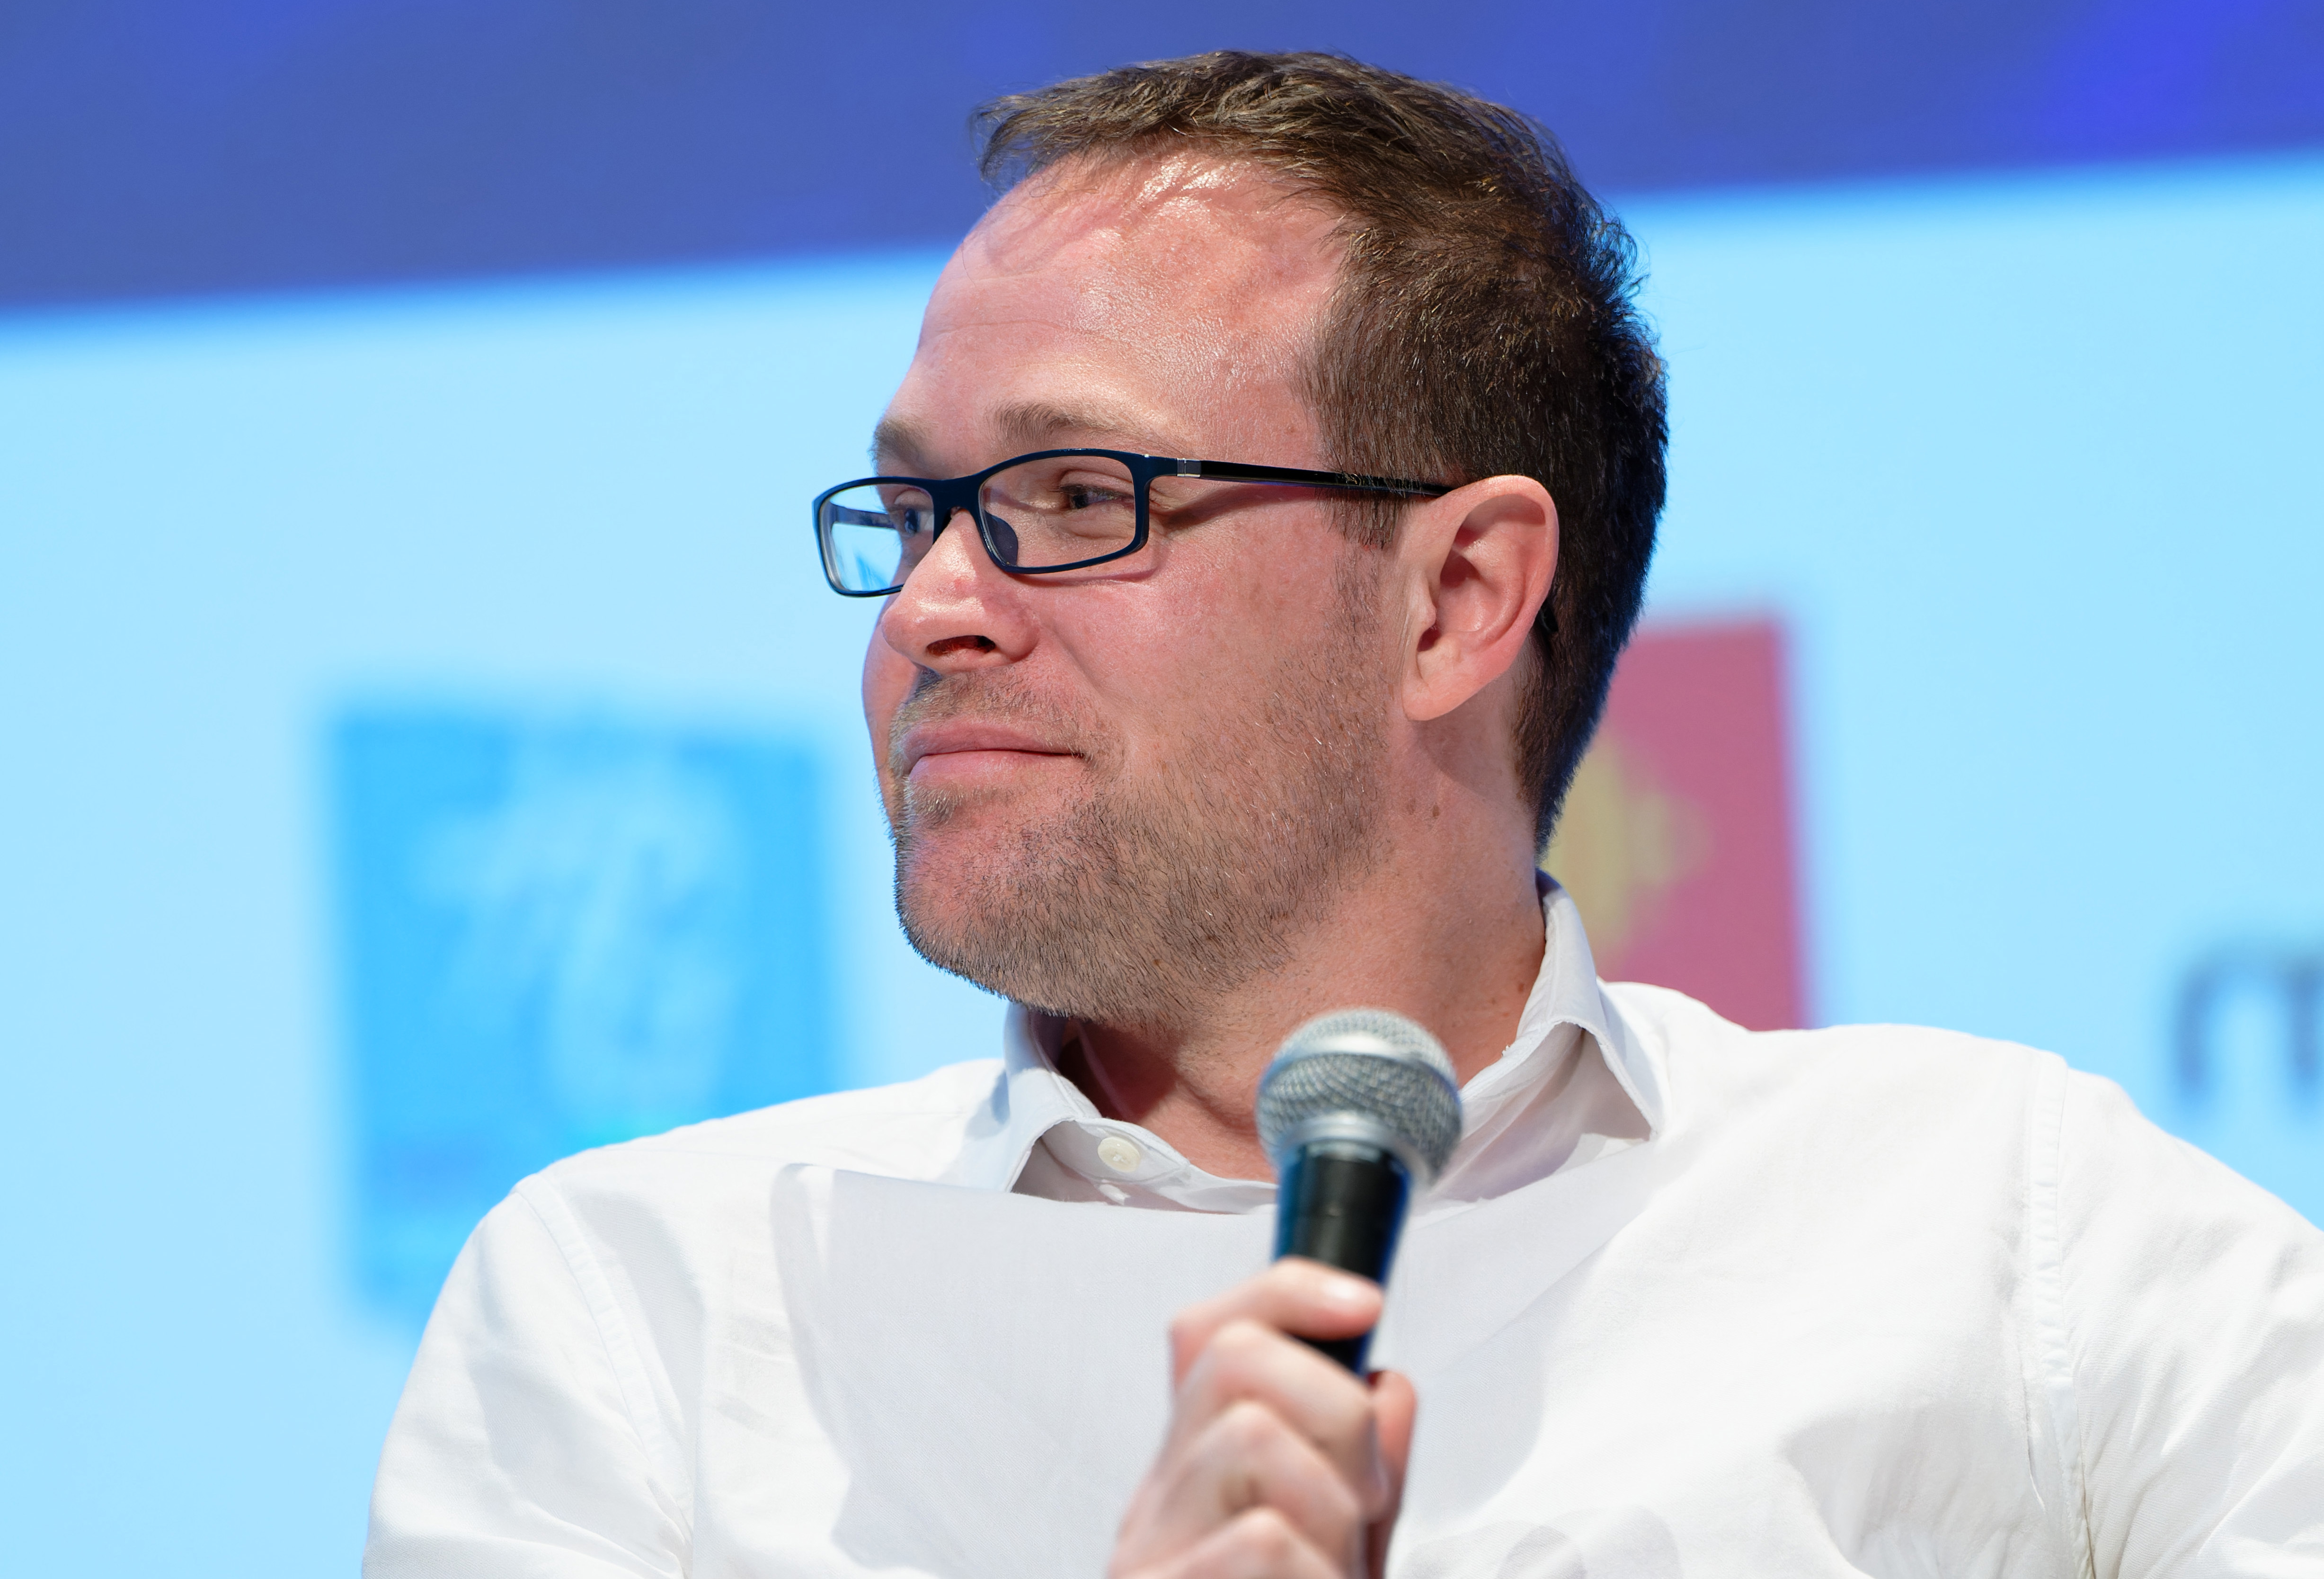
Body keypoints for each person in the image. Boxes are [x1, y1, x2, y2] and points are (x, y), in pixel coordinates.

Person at [365, 51, 2324, 1578]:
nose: (934, 604)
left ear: (1456, 598)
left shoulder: (2008, 1239)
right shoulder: (647, 1314)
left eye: (1076, 497)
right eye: (915, 511)